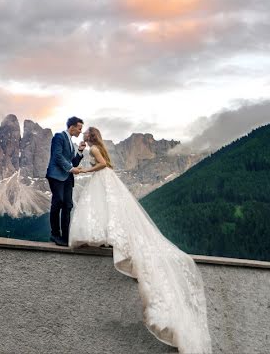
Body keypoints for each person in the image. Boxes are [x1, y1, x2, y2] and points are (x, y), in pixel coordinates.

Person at [70, 126, 212, 354]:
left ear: (91, 136)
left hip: (100, 178)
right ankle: (104, 236)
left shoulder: (95, 148)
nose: (84, 134)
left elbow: (103, 165)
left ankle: (102, 237)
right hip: (105, 180)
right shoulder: (95, 147)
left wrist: (83, 171)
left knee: (101, 208)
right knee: (106, 209)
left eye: (86, 133)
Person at [45, 116, 86, 247]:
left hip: (67, 178)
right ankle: (55, 234)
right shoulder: (59, 137)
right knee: (58, 202)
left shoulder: (71, 144)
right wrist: (70, 168)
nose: (80, 131)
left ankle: (66, 237)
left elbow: (72, 162)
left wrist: (79, 151)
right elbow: (57, 156)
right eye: (79, 128)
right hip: (56, 176)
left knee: (68, 205)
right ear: (72, 127)